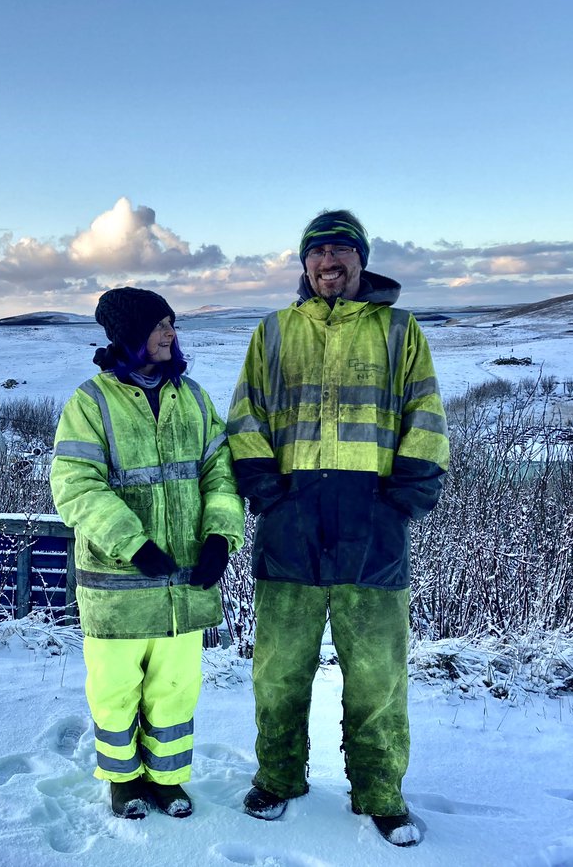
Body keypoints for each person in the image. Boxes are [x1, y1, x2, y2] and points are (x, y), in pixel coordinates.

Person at [226, 210, 449, 847]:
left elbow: (426, 413)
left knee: (378, 674)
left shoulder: (399, 330)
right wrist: (270, 494)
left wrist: (400, 500)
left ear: (361, 260)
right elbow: (246, 417)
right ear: (303, 265)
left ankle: (380, 794)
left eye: (341, 251)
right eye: (318, 252)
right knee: (278, 670)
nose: (329, 262)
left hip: (372, 529)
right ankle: (277, 779)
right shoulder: (272, 332)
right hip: (290, 528)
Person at [51, 287, 245, 820]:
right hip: (117, 587)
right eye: (160, 325)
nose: (170, 334)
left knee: (177, 688)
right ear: (130, 335)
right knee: (115, 690)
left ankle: (166, 779)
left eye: (172, 324)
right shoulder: (89, 404)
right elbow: (75, 486)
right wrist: (132, 544)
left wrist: (220, 537)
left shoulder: (195, 398)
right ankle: (122, 779)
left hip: (184, 584)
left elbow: (219, 473)